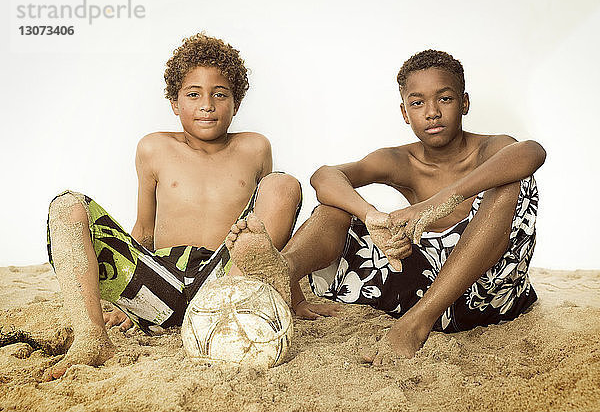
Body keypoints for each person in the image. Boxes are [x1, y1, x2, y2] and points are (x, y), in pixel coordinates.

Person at [225, 49, 546, 365]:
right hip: (417, 285)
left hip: (489, 297)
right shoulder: (402, 160)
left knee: (513, 182)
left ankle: (416, 324)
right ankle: (286, 269)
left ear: (464, 103)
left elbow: (531, 152)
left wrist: (438, 203)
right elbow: (325, 176)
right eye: (418, 102)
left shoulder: (492, 148)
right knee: (336, 206)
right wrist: (371, 216)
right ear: (405, 112)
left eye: (444, 99)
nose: (431, 112)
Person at [45, 33, 302, 380]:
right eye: (193, 94)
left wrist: (294, 293)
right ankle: (91, 337)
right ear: (174, 103)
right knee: (66, 206)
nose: (206, 104)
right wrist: (129, 302)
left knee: (283, 185)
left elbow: (268, 228)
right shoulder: (154, 148)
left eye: (220, 94)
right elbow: (144, 232)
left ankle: (258, 293)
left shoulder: (255, 148)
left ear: (237, 102)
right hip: (161, 282)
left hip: (225, 282)